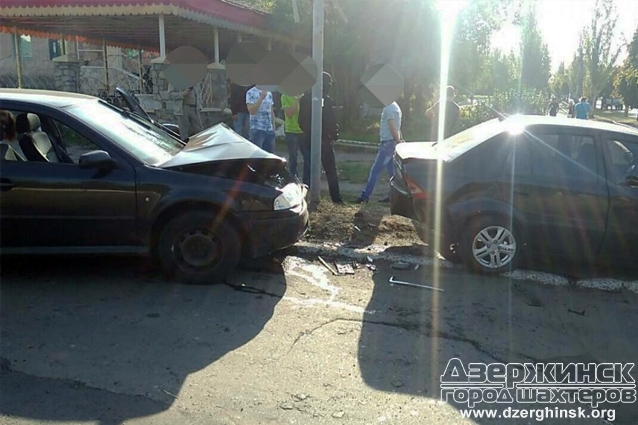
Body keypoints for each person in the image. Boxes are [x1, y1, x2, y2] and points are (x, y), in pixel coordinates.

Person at [298, 72, 343, 203]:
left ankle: (304, 199)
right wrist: (333, 134)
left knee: (308, 170)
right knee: (330, 171)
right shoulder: (326, 100)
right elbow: (330, 121)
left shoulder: (305, 98)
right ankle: (336, 199)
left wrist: (309, 132)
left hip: (307, 138)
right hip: (324, 140)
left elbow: (301, 121)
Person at [356, 101, 403, 203]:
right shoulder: (396, 107)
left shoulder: (389, 108)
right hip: (392, 143)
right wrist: (399, 140)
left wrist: (398, 140)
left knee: (375, 171)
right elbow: (397, 127)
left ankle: (365, 196)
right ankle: (393, 196)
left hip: (387, 144)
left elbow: (392, 126)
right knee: (392, 173)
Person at [280, 93, 305, 178]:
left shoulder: (304, 96)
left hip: (303, 130)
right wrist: (297, 100)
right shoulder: (285, 96)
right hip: (291, 130)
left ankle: (307, 179)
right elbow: (289, 114)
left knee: (307, 156)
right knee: (293, 157)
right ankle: (293, 177)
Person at [246, 86, 276, 153]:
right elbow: (252, 111)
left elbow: (271, 111)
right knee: (257, 156)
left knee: (270, 156)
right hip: (257, 129)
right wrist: (261, 97)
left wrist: (273, 128)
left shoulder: (269, 93)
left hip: (269, 130)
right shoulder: (250, 93)